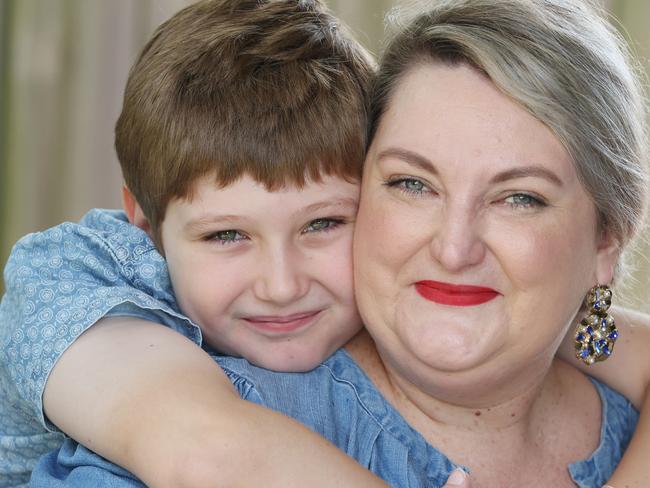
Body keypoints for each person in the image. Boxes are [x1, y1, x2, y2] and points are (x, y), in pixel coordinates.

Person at [2, 0, 649, 486]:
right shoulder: (163, 406)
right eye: (413, 184)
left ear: (606, 240)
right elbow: (203, 447)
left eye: (520, 198)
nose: (454, 249)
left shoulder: (620, 416)